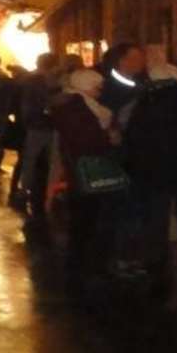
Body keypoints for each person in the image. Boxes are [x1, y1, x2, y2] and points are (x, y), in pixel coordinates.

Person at [120, 60, 177, 283]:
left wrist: (133, 164)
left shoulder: (145, 102)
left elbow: (133, 136)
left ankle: (156, 257)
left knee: (156, 215)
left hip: (152, 168)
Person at [53, 66, 123, 291]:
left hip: (81, 171)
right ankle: (86, 268)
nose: (100, 91)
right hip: (86, 171)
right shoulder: (76, 108)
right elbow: (86, 140)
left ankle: (82, 265)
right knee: (87, 219)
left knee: (85, 219)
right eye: (97, 87)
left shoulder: (77, 105)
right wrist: (108, 138)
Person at [12, 53, 62, 232]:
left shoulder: (29, 81)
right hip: (46, 125)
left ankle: (25, 190)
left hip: (35, 125)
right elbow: (49, 103)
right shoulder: (48, 82)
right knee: (50, 161)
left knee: (31, 159)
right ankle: (45, 194)